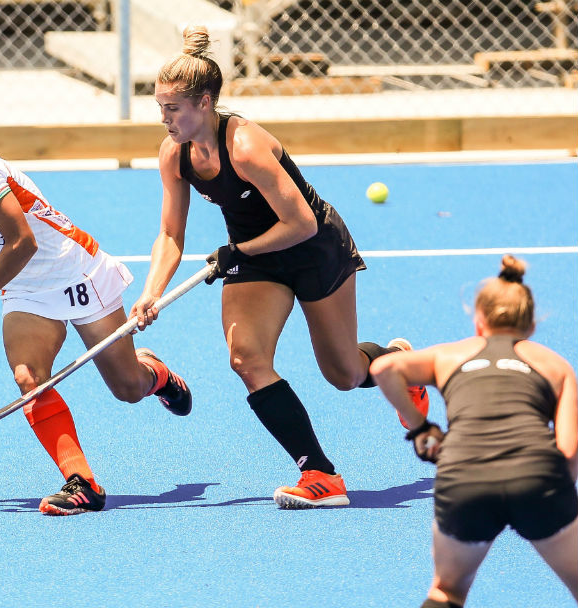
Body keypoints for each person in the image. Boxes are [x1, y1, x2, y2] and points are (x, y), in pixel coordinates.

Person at [129, 26, 429, 509]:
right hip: (254, 259)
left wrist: (239, 251)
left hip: (313, 248)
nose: (164, 119)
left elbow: (302, 223)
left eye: (173, 108)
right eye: (160, 108)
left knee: (344, 374)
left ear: (204, 103)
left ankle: (401, 366)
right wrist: (151, 292)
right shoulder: (175, 154)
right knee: (245, 359)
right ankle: (320, 474)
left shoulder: (245, 147)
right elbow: (170, 235)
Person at [0, 72, 192, 516]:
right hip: (23, 286)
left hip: (73, 268)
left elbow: (22, 242)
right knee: (28, 376)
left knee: (127, 388)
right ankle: (83, 483)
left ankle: (156, 374)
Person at [371, 255, 577, 607]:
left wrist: (420, 428)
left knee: (447, 591)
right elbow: (570, 451)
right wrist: (552, 498)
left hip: (465, 478)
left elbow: (384, 368)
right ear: (531, 326)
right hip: (537, 478)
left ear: (479, 321)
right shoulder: (554, 365)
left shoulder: (451, 355)